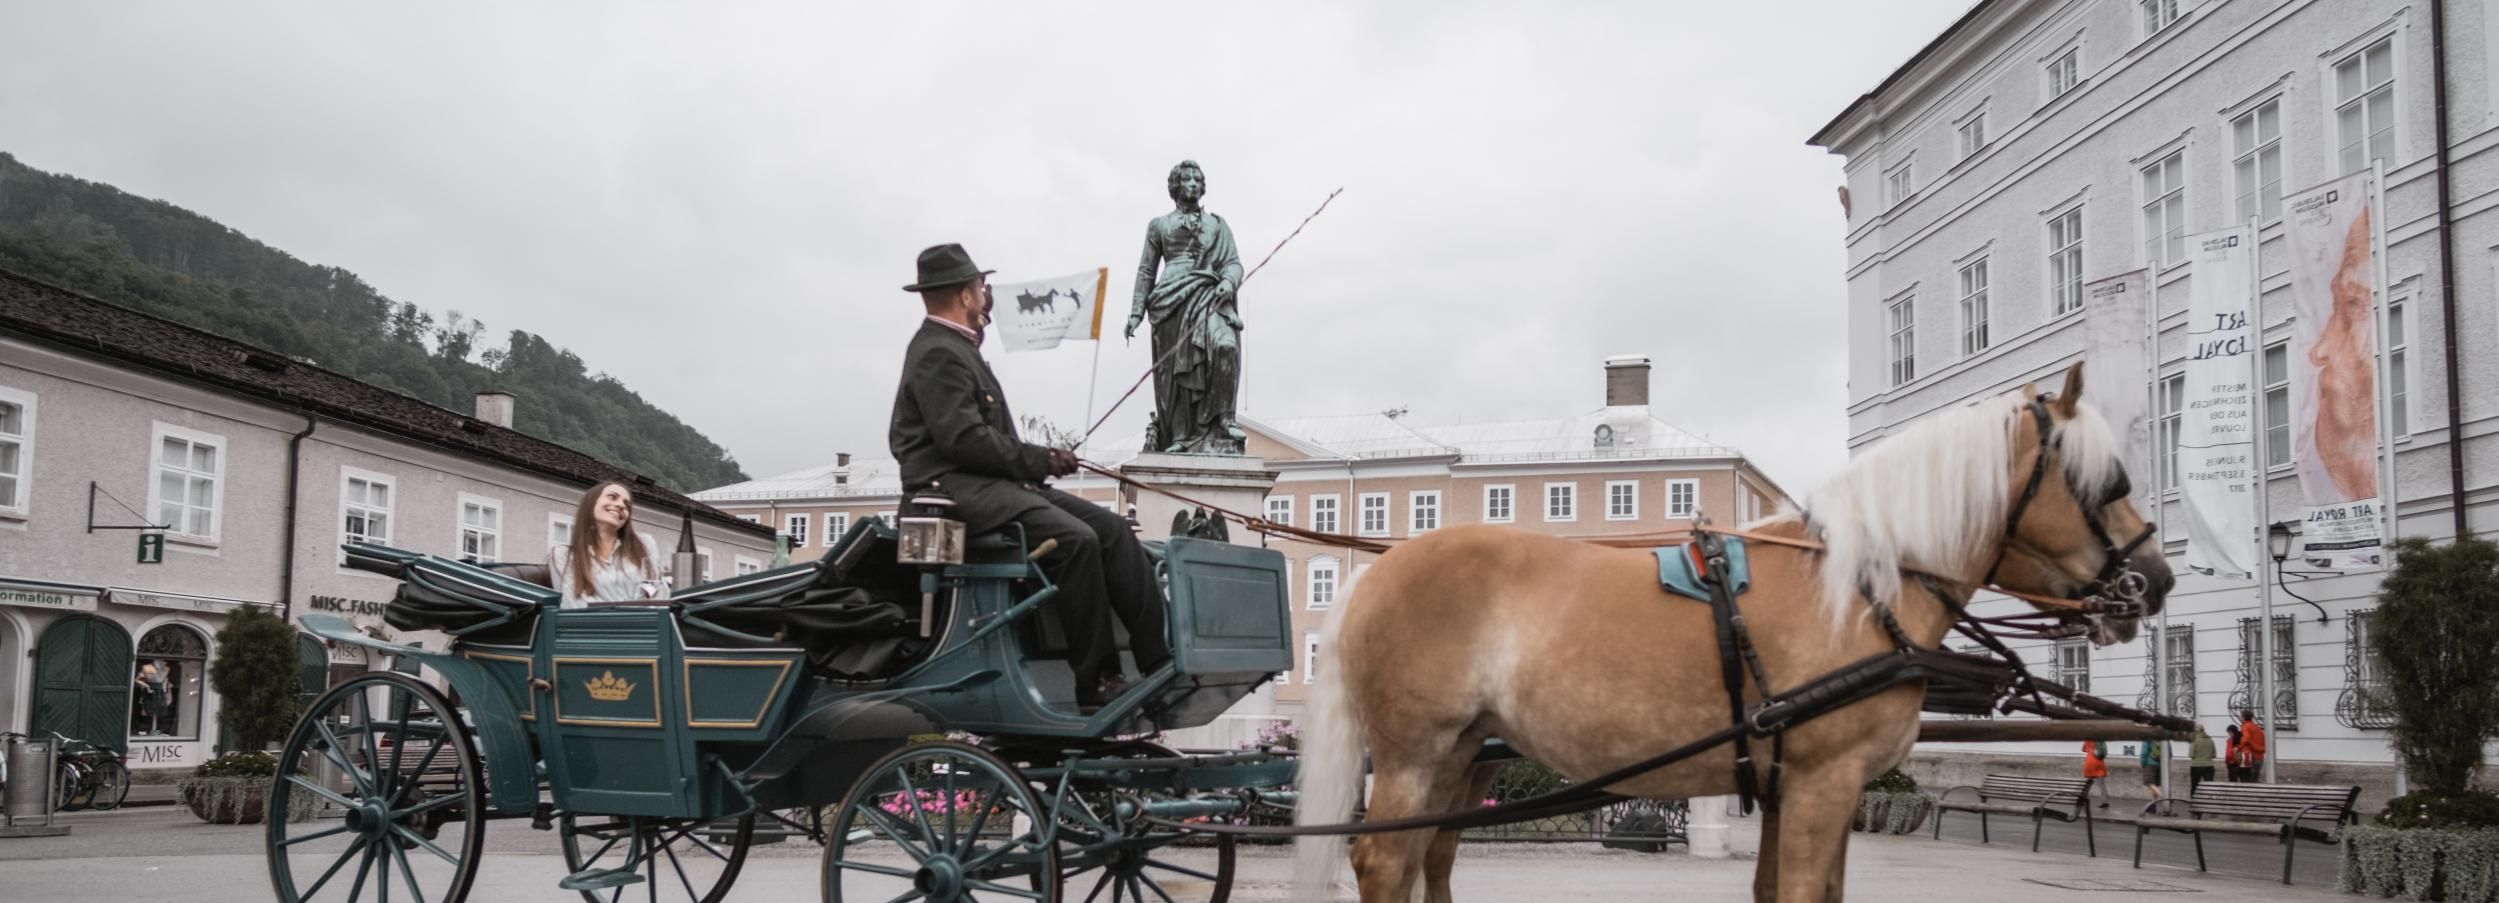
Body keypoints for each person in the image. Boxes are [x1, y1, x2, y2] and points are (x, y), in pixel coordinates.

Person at [891, 243, 1173, 711]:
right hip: (950, 491)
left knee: (1113, 531)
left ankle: (1158, 662)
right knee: (1077, 541)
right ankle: (1096, 682)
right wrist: (1041, 460)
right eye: (981, 287)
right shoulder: (937, 353)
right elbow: (965, 442)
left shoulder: (955, 348)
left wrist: (1040, 462)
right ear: (965, 294)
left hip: (990, 486)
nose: (987, 295)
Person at [546, 481, 670, 608]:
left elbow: (659, 596)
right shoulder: (563, 555)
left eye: (627, 505)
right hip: (594, 627)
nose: (621, 505)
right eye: (612, 497)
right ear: (591, 503)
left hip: (650, 625)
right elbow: (573, 606)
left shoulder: (644, 543)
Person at [2235, 708, 2268, 782]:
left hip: (2251, 756)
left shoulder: (2246, 726)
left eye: (2240, 716)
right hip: (2260, 757)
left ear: (2243, 717)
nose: (2239, 717)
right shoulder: (2256, 727)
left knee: (2248, 780)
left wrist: (2239, 747)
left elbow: (2246, 737)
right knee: (2255, 779)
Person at [2081, 739, 2111, 809]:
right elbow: (2104, 751)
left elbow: (2083, 749)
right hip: (2099, 762)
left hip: (2090, 762)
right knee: (2101, 784)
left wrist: (2089, 748)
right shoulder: (2101, 739)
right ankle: (2105, 801)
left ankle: (2082, 800)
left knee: (2088, 783)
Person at [2188, 724, 2217, 792]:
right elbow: (2214, 755)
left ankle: (2194, 801)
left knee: (2194, 786)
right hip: (2209, 766)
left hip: (2196, 766)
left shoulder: (2194, 740)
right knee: (2209, 787)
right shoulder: (2210, 740)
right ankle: (2208, 801)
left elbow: (2191, 754)